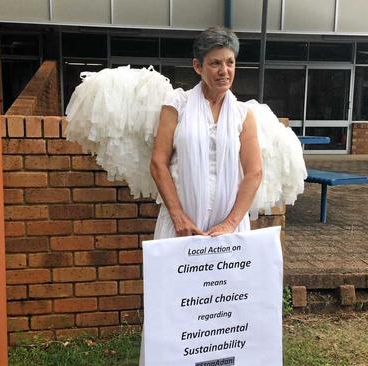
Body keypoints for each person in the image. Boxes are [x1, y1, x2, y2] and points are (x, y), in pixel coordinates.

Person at [139, 26, 263, 366]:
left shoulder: (243, 114)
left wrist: (231, 223)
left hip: (227, 235)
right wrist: (179, 217)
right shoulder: (176, 104)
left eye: (230, 63)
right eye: (215, 64)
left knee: (223, 319)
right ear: (198, 67)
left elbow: (254, 173)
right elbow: (159, 163)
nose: (224, 71)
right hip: (181, 230)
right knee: (177, 316)